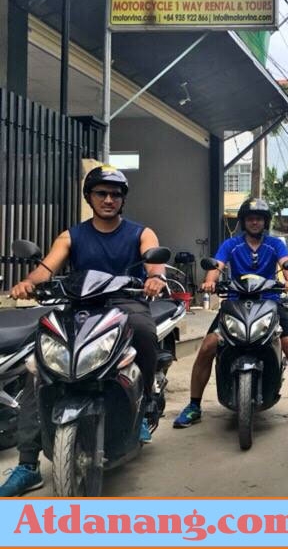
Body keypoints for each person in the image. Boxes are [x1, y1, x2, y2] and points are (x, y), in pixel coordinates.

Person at [1, 165, 166, 496]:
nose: (108, 200)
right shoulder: (71, 236)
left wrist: (155, 278)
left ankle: (146, 401)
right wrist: (28, 284)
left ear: (123, 200)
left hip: (124, 303)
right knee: (39, 367)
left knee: (144, 332)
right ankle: (28, 465)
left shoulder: (141, 233)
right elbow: (46, 268)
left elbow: (154, 264)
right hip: (79, 308)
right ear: (89, 197)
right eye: (101, 193)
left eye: (115, 194)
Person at [173, 199, 288, 428]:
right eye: (250, 218)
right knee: (208, 346)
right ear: (243, 221)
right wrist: (210, 282)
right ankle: (194, 405)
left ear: (265, 222)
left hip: (270, 303)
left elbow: (286, 264)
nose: (255, 222)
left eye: (259, 218)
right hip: (235, 303)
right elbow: (216, 266)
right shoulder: (231, 244)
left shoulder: (275, 244)